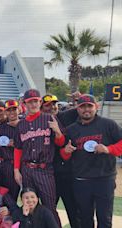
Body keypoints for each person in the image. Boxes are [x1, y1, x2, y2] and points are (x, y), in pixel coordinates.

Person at [61, 94, 122, 228]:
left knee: (105, 219)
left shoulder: (108, 124)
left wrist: (108, 149)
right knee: (84, 219)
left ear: (96, 107)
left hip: (104, 179)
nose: (86, 109)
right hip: (81, 180)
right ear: (77, 109)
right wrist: (66, 151)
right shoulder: (71, 129)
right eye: (83, 107)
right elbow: (64, 156)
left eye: (90, 106)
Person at [13, 89, 64, 227]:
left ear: (40, 102)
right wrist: (16, 170)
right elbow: (18, 148)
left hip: (45, 169)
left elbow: (60, 143)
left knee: (49, 206)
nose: (33, 104)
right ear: (25, 104)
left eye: (35, 101)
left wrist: (58, 132)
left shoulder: (49, 119)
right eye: (30, 102)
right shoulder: (21, 124)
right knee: (29, 207)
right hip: (27, 169)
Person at [41, 94, 80, 228]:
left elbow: (84, 107)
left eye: (54, 104)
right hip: (48, 173)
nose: (52, 107)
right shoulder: (38, 121)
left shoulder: (65, 116)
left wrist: (78, 99)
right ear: (41, 108)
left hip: (67, 171)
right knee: (49, 209)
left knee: (73, 209)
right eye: (48, 105)